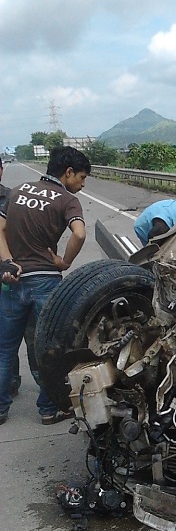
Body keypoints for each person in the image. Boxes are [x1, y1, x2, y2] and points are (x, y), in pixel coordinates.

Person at [0, 145, 90, 425]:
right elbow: (79, 233)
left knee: (4, 349)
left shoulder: (17, 190)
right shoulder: (67, 200)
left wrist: (7, 262)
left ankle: (1, 409)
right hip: (45, 282)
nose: (83, 184)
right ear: (68, 172)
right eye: (82, 177)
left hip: (13, 280)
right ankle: (48, 409)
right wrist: (64, 262)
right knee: (48, 349)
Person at [0, 158, 37, 397]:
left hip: (15, 275)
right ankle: (9, 384)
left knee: (31, 337)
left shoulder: (13, 198)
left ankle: (48, 390)